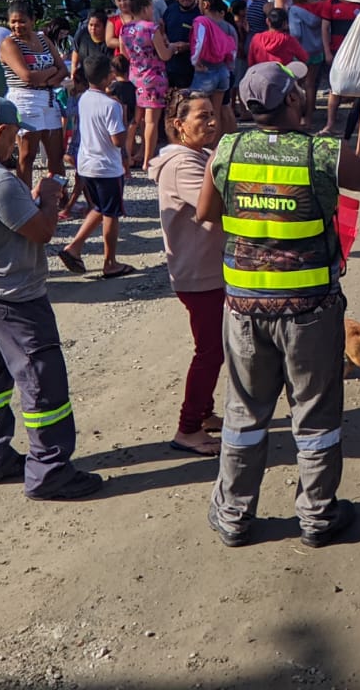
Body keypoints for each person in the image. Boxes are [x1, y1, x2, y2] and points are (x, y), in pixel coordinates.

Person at [198, 63, 360, 548]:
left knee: (244, 411)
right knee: (315, 413)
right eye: (299, 89)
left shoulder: (228, 148)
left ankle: (234, 516)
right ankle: (318, 517)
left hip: (244, 307)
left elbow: (205, 214)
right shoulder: (318, 152)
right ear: (290, 101)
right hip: (309, 310)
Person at [0, 96, 103, 500]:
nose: (16, 144)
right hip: (13, 295)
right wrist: (46, 195)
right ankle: (50, 471)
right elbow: (42, 232)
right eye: (15, 135)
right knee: (42, 380)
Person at [149, 90, 226, 456]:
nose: (211, 122)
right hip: (199, 273)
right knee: (209, 351)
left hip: (204, 267)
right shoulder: (185, 165)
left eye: (212, 114)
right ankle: (188, 427)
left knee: (214, 348)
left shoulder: (198, 156)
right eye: (201, 116)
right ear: (179, 125)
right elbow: (216, 208)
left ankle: (205, 412)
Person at [54, 56, 132, 278]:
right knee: (111, 214)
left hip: (87, 164)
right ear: (108, 76)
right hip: (107, 166)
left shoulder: (84, 98)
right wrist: (124, 123)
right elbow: (117, 140)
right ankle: (110, 262)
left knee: (98, 208)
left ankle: (75, 247)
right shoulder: (111, 105)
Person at [0, 0, 68, 185]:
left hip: (48, 98)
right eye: (13, 21)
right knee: (27, 154)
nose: (17, 26)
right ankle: (25, 199)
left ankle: (59, 197)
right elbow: (27, 76)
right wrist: (51, 72)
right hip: (24, 99)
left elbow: (63, 69)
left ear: (33, 20)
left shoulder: (43, 39)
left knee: (56, 154)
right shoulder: (9, 44)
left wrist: (48, 79)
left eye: (22, 21)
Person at [119, 0, 172, 168]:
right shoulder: (151, 28)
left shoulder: (125, 28)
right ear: (145, 8)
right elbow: (164, 55)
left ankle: (130, 155)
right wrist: (173, 48)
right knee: (151, 121)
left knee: (135, 120)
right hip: (153, 77)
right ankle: (148, 160)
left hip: (135, 75)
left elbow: (123, 52)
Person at [287, 0, 331, 128]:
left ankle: (298, 116)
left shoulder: (294, 10)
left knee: (297, 85)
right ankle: (309, 119)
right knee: (311, 85)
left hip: (300, 51)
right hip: (317, 50)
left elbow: (295, 33)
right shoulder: (321, 7)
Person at [161, 0, 200, 90]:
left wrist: (188, 45)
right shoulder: (170, 10)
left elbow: (205, 40)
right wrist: (165, 39)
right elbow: (162, 27)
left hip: (190, 67)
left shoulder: (200, 14)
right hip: (169, 64)